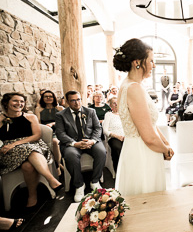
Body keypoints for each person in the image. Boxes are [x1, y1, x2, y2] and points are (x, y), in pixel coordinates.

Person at [113, 38, 174, 196]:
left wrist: (165, 142)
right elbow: (148, 137)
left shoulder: (133, 85)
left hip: (140, 149)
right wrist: (166, 149)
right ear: (137, 63)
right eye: (151, 61)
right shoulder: (134, 89)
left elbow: (149, 124)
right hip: (141, 153)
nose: (154, 65)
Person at [0, 92, 62, 208]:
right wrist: (8, 146)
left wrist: (16, 143)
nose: (19, 104)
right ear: (6, 103)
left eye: (22, 101)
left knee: (28, 165)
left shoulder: (30, 117)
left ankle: (32, 195)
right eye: (15, 101)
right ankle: (51, 180)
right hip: (10, 153)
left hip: (33, 145)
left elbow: (37, 136)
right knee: (29, 151)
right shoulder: (1, 118)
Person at [55, 91, 106, 202]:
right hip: (72, 144)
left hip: (90, 141)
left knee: (101, 151)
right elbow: (60, 133)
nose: (77, 103)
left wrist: (92, 141)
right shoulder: (61, 115)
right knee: (70, 155)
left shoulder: (90, 111)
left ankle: (95, 181)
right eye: (73, 100)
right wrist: (74, 143)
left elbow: (98, 128)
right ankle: (79, 185)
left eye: (78, 99)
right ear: (67, 102)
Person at [35, 90, 65, 176]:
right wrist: (46, 127)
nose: (48, 98)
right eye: (46, 96)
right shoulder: (39, 109)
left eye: (50, 96)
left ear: (54, 98)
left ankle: (57, 165)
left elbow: (64, 121)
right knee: (53, 142)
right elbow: (38, 123)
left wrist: (52, 123)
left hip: (59, 129)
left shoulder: (60, 108)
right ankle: (58, 165)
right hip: (45, 131)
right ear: (42, 98)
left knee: (55, 142)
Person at [102, 97, 124, 172]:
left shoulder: (124, 114)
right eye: (114, 103)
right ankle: (118, 171)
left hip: (126, 137)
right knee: (117, 148)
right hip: (113, 137)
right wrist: (117, 136)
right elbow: (105, 130)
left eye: (118, 102)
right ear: (110, 105)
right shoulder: (108, 115)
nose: (116, 104)